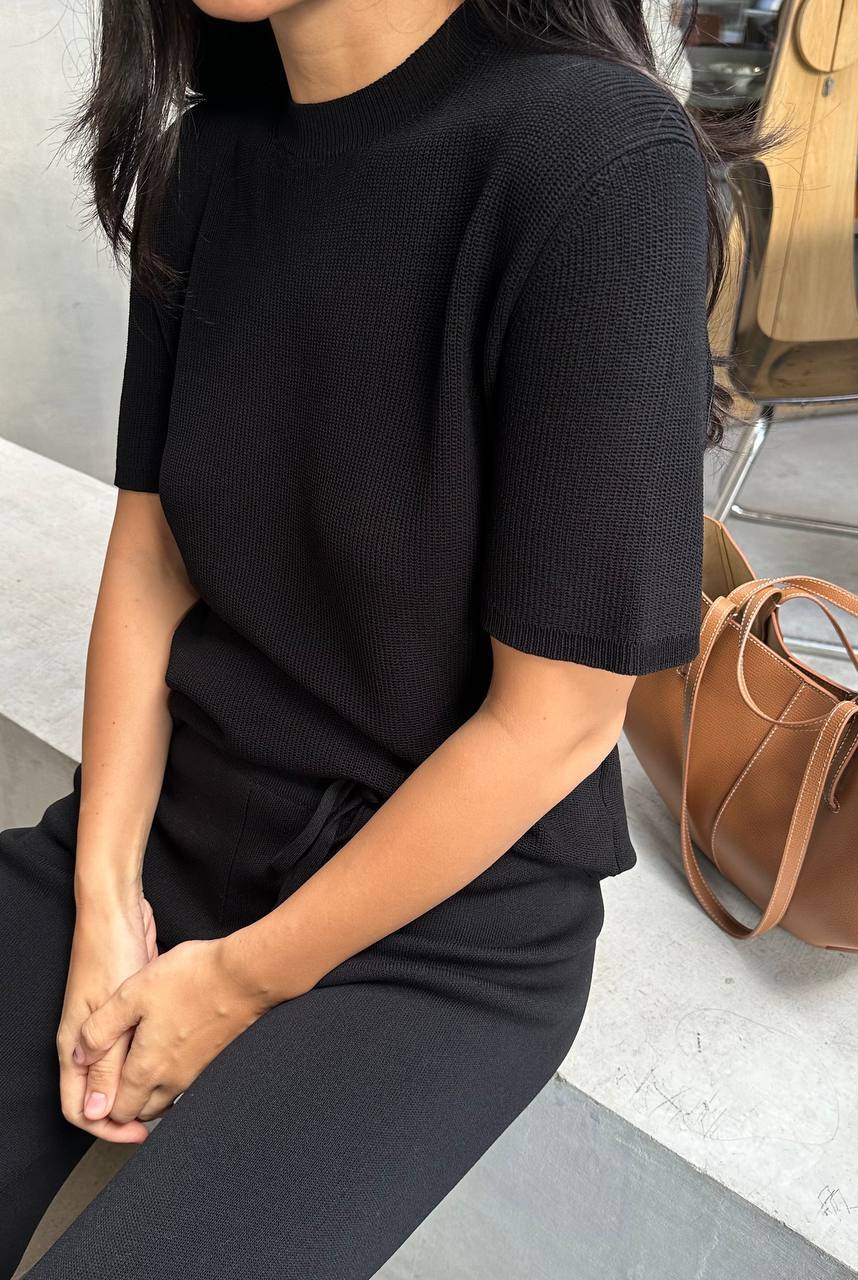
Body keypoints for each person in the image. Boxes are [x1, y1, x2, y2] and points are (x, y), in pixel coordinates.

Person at [1, 0, 740, 1274]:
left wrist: (234, 981)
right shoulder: (208, 158)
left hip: (438, 923)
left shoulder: (596, 160)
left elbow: (557, 723)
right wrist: (103, 894)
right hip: (187, 828)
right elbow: (154, 557)